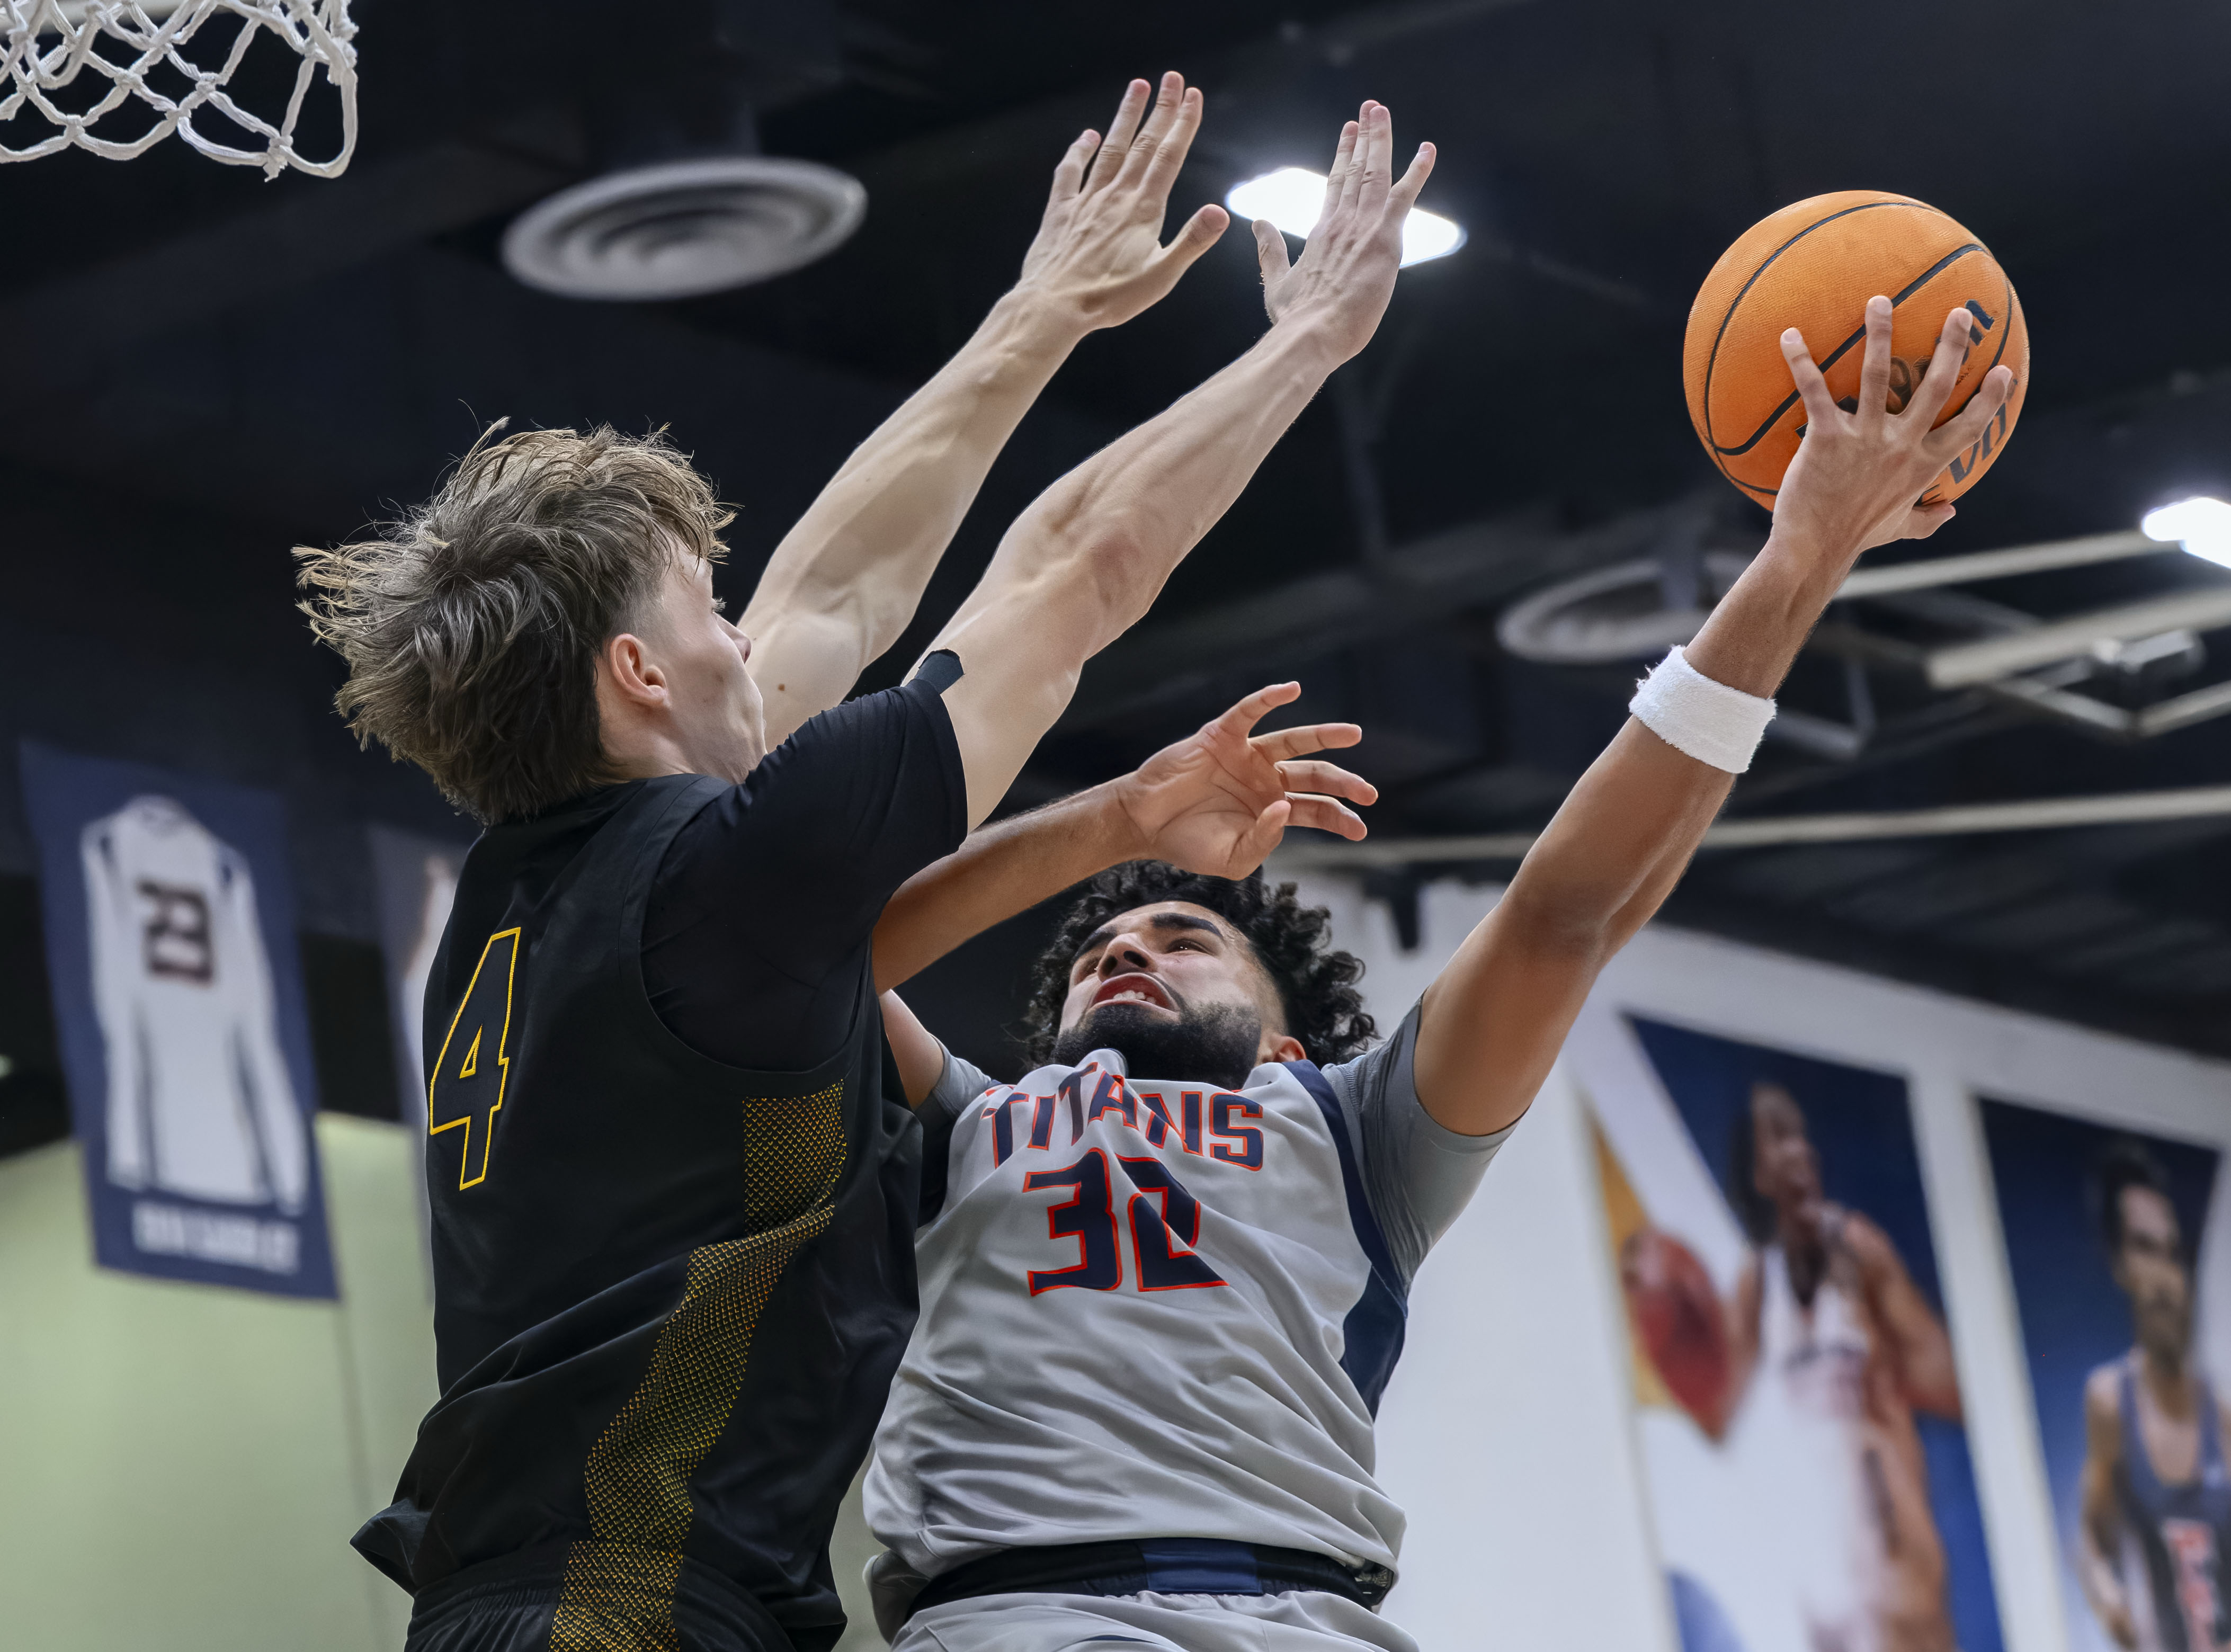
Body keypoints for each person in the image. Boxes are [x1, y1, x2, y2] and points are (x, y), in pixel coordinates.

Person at [298, 72, 1432, 1652]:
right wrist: (1310, 343)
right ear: (637, 673)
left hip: (535, 1588)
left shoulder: (536, 889)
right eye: (707, 604)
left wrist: (1036, 317)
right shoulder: (723, 874)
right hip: (622, 1609)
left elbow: (843, 590)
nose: (746, 628)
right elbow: (1076, 570)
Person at [858, 294, 2016, 1651]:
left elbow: (1561, 912)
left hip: (1306, 1611)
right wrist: (1114, 817)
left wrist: (1798, 560)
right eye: (1101, 953)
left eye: (1184, 939)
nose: (1125, 946)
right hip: (1024, 1613)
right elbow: (801, 949)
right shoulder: (964, 1125)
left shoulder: (1352, 1130)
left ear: (1286, 1043)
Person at [1720, 1078, 1964, 1652]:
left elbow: (1953, 1381)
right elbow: (1720, 1428)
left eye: (1802, 1135)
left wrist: (1891, 1371)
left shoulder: (1858, 1247)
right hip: (1817, 1570)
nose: (1801, 1149)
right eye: (1779, 1137)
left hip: (1892, 1543)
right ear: (1756, 1173)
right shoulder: (1756, 1285)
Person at [2077, 1140, 2231, 1652]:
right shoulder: (2110, 1401)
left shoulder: (2222, 1415)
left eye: (2173, 1253)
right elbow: (2090, 1541)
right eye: (2146, 1249)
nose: (2165, 1277)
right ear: (2121, 1263)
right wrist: (2109, 1602)